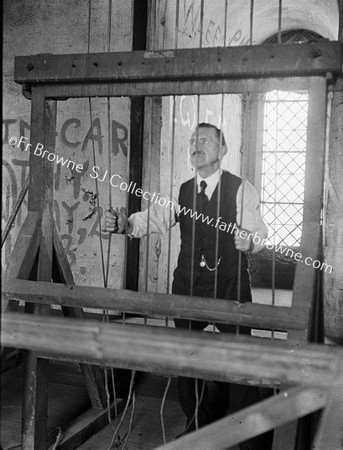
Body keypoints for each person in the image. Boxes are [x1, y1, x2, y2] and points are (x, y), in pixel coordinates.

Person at [105, 123, 272, 449]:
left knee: (240, 358)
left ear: (222, 150)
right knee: (188, 358)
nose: (197, 145)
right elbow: (152, 219)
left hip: (229, 285)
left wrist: (249, 241)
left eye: (206, 140)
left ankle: (249, 437)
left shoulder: (240, 188)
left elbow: (259, 230)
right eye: (193, 140)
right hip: (188, 286)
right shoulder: (180, 191)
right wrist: (125, 224)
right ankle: (198, 428)